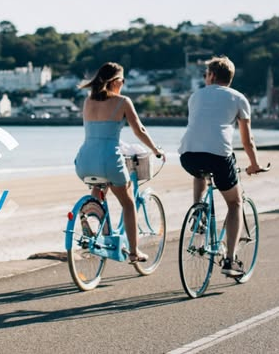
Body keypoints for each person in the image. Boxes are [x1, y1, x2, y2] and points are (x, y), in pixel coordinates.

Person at [179, 56, 263, 276]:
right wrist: (254, 164)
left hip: (187, 155)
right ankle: (230, 260)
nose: (204, 78)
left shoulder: (196, 96)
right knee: (235, 203)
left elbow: (200, 129)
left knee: (200, 172)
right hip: (218, 157)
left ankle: (198, 211)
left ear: (212, 75)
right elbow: (247, 140)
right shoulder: (239, 98)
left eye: (205, 74)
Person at [75, 62, 163, 263]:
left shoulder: (88, 101)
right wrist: (155, 149)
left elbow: (97, 134)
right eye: (122, 81)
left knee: (99, 189)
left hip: (84, 161)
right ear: (115, 82)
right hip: (108, 160)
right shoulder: (123, 102)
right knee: (128, 203)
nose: (123, 84)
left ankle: (93, 220)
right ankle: (134, 252)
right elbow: (139, 130)